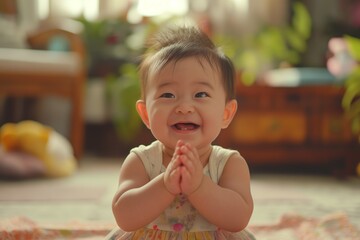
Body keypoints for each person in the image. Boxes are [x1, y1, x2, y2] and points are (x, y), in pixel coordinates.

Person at [106, 25, 256, 240]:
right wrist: (165, 184)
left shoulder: (228, 164)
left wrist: (199, 186)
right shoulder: (142, 161)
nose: (184, 107)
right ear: (146, 114)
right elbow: (125, 216)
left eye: (201, 94)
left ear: (226, 113)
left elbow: (238, 219)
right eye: (167, 95)